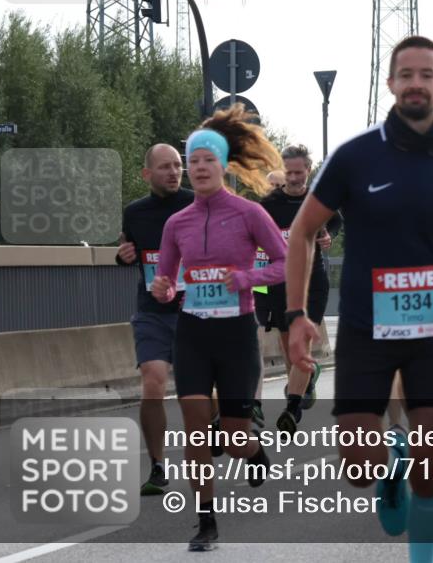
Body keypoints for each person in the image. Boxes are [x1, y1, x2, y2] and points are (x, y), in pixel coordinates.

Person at [283, 36, 433, 563]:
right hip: (367, 329)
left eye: (426, 74)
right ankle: (392, 460)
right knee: (356, 466)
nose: (416, 83)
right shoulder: (354, 156)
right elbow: (301, 233)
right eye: (406, 74)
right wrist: (297, 314)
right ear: (391, 83)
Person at [151, 104, 286, 551]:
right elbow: (168, 280)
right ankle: (206, 521)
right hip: (192, 332)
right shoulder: (177, 222)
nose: (201, 167)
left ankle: (254, 451)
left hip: (236, 331)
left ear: (224, 165)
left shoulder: (250, 214)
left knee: (232, 433)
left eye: (208, 159)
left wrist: (246, 278)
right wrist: (164, 289)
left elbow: (286, 265)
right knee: (194, 427)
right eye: (193, 161)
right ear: (188, 171)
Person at [116, 144, 194, 495]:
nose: (174, 172)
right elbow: (128, 249)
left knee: (196, 394)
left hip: (195, 309)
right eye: (165, 167)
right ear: (147, 174)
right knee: (153, 380)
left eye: (178, 166)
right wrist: (123, 256)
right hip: (152, 311)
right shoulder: (134, 212)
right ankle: (158, 466)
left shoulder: (198, 204)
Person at [252, 144, 341, 434]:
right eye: (289, 172)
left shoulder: (320, 200)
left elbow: (335, 223)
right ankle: (307, 376)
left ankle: (291, 410)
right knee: (290, 350)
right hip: (280, 285)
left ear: (308, 170)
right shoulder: (268, 205)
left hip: (312, 284)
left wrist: (328, 236)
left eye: (299, 173)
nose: (293, 178)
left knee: (300, 347)